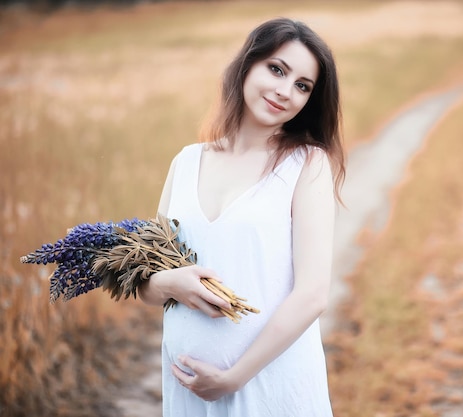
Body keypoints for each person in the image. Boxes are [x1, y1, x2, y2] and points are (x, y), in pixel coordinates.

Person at [138, 17, 345, 416]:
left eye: (303, 86)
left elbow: (313, 294)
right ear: (248, 64)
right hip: (188, 391)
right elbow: (145, 284)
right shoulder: (186, 161)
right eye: (277, 69)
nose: (285, 91)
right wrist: (171, 282)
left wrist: (234, 378)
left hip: (271, 388)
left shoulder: (306, 165)